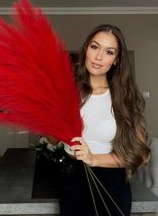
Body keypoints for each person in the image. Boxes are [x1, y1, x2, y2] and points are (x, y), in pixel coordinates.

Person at [48, 24, 150, 216]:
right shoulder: (66, 92)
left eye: (109, 52)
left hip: (112, 184)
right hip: (72, 179)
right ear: (86, 48)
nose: (98, 57)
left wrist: (93, 158)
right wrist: (50, 122)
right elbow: (53, 140)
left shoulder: (123, 98)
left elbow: (140, 156)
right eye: (95, 47)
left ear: (116, 60)